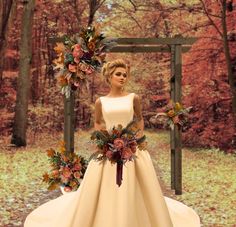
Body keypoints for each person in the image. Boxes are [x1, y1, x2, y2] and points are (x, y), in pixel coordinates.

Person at [24, 59, 201, 227]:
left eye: (125, 74)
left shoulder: (133, 98)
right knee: (102, 190)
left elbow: (139, 119)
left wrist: (136, 138)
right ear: (109, 77)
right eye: (118, 74)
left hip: (132, 148)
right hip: (108, 150)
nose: (123, 77)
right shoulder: (101, 101)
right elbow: (99, 123)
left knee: (136, 188)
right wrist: (104, 141)